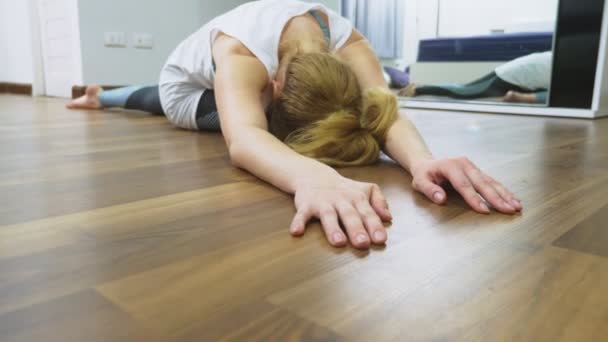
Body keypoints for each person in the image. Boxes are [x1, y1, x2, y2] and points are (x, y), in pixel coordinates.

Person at [67, 0, 522, 250]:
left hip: (228, 73)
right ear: (278, 86)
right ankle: (105, 95)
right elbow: (244, 138)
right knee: (187, 106)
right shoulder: (244, 57)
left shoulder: (348, 40)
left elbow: (382, 111)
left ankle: (99, 93)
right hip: (182, 87)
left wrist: (423, 161)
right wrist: (313, 175)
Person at [400, 51, 552, 104]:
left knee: (465, 89)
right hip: (514, 74)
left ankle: (419, 88)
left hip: (522, 72)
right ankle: (418, 89)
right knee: (465, 91)